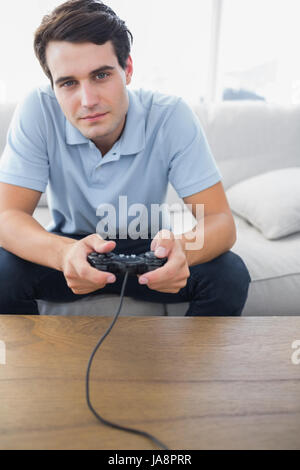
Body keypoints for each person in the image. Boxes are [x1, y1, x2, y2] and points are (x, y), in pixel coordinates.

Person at [0, 0, 251, 315]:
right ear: (53, 85)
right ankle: (34, 365)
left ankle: (187, 365)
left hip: (150, 250)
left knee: (229, 275)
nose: (88, 100)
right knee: (2, 272)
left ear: (127, 69)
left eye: (101, 75)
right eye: (68, 83)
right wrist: (64, 255)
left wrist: (182, 250)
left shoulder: (170, 115)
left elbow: (220, 222)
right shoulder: (38, 109)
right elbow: (7, 217)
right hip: (72, 244)